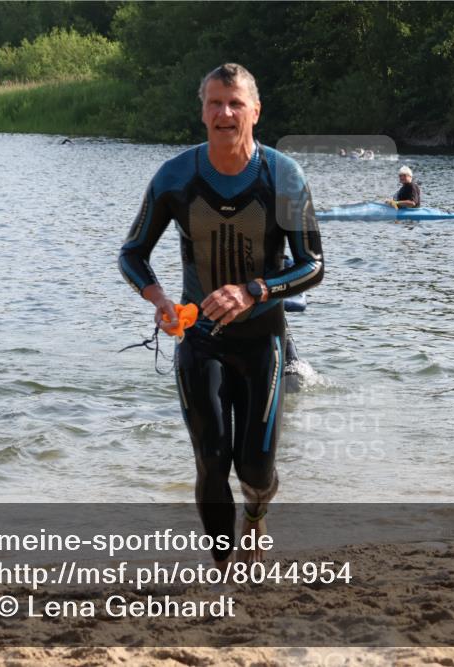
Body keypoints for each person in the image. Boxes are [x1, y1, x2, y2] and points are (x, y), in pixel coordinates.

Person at [118, 63, 324, 568]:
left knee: (254, 472)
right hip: (201, 340)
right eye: (215, 103)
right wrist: (159, 298)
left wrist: (255, 290)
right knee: (210, 462)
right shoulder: (176, 176)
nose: (224, 113)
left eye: (235, 103)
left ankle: (256, 514)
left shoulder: (283, 177)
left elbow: (312, 265)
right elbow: (132, 253)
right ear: (202, 111)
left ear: (255, 110)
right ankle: (227, 572)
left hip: (263, 341)